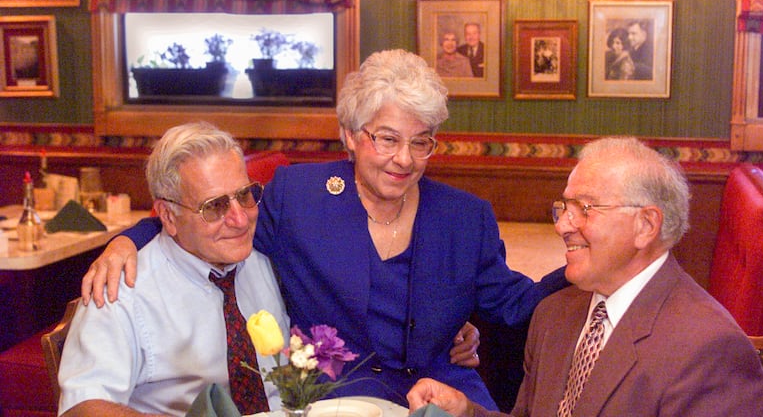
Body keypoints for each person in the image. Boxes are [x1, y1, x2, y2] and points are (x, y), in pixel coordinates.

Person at [82, 49, 568, 410]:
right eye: (387, 139)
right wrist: (128, 240)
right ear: (351, 137)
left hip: (441, 395)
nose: (405, 159)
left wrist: (594, 263)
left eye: (422, 142)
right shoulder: (299, 196)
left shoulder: (465, 217)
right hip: (338, 400)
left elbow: (517, 305)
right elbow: (214, 222)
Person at [406, 137, 763, 417]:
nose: (563, 226)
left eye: (584, 209)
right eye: (563, 208)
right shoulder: (555, 315)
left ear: (646, 225)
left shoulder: (708, 349)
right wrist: (466, 412)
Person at [59, 123, 290, 415]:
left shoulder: (265, 257)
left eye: (245, 195)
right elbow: (82, 407)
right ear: (168, 216)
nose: (240, 220)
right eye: (215, 206)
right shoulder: (123, 289)